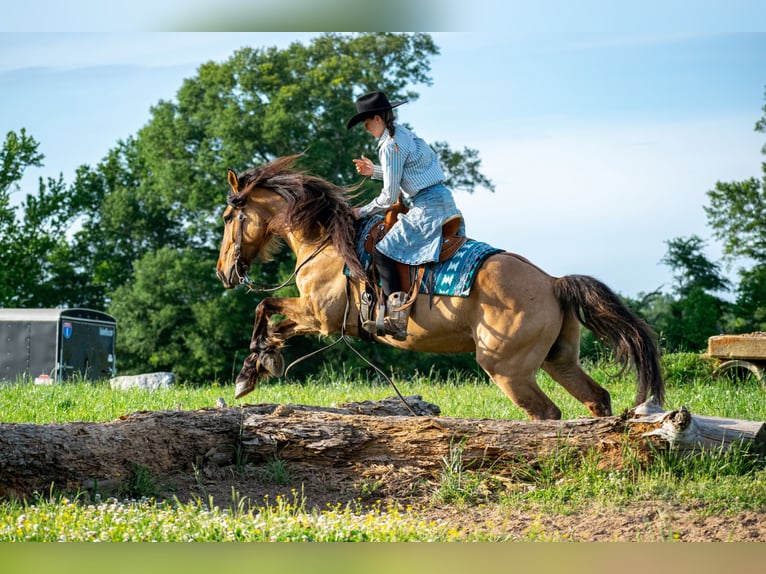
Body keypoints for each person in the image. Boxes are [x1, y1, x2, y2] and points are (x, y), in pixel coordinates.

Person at [347, 90, 464, 340]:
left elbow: (389, 197)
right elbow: (410, 173)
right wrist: (375, 172)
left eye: (366, 123)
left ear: (377, 119)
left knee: (382, 251)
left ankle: (396, 317)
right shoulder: (403, 134)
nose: (366, 129)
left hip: (426, 208)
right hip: (445, 203)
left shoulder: (390, 146)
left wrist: (361, 211)